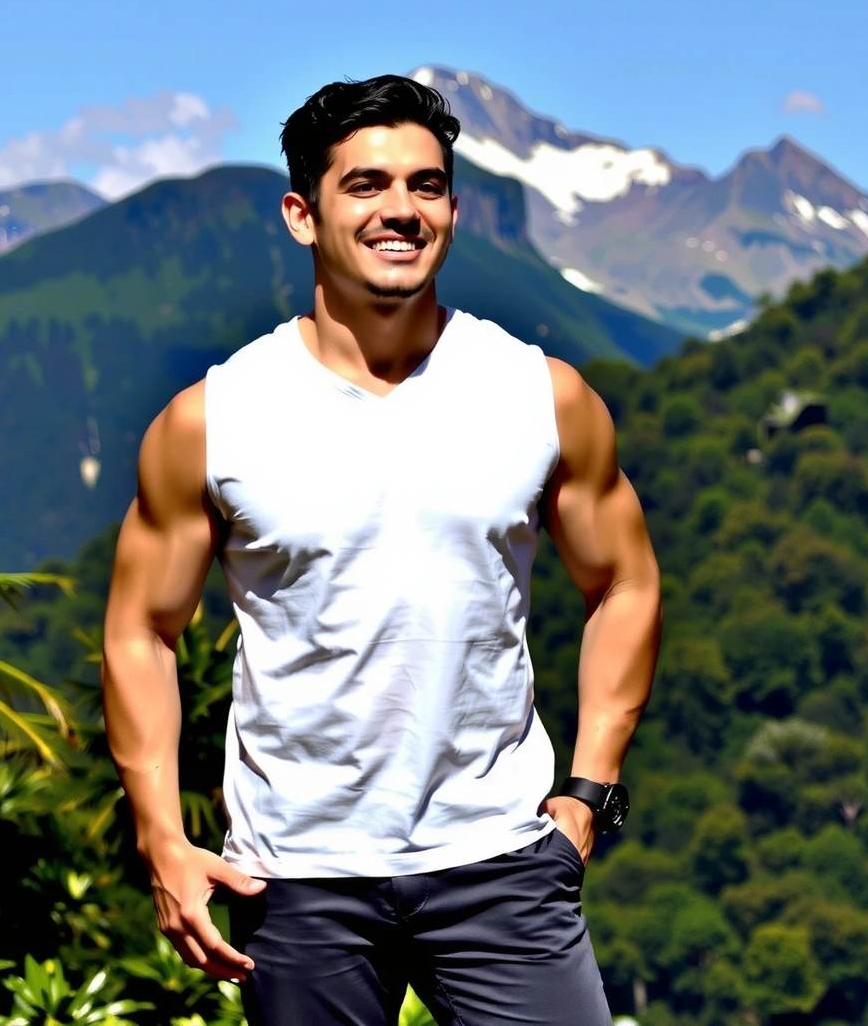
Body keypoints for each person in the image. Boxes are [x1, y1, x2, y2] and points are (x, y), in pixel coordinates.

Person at [101, 74, 661, 1026]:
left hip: (501, 862)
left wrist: (589, 795)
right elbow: (138, 633)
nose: (400, 208)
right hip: (296, 877)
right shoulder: (212, 420)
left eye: (425, 185)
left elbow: (626, 584)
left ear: (453, 211)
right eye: (365, 185)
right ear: (302, 216)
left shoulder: (542, 396)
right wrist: (161, 836)